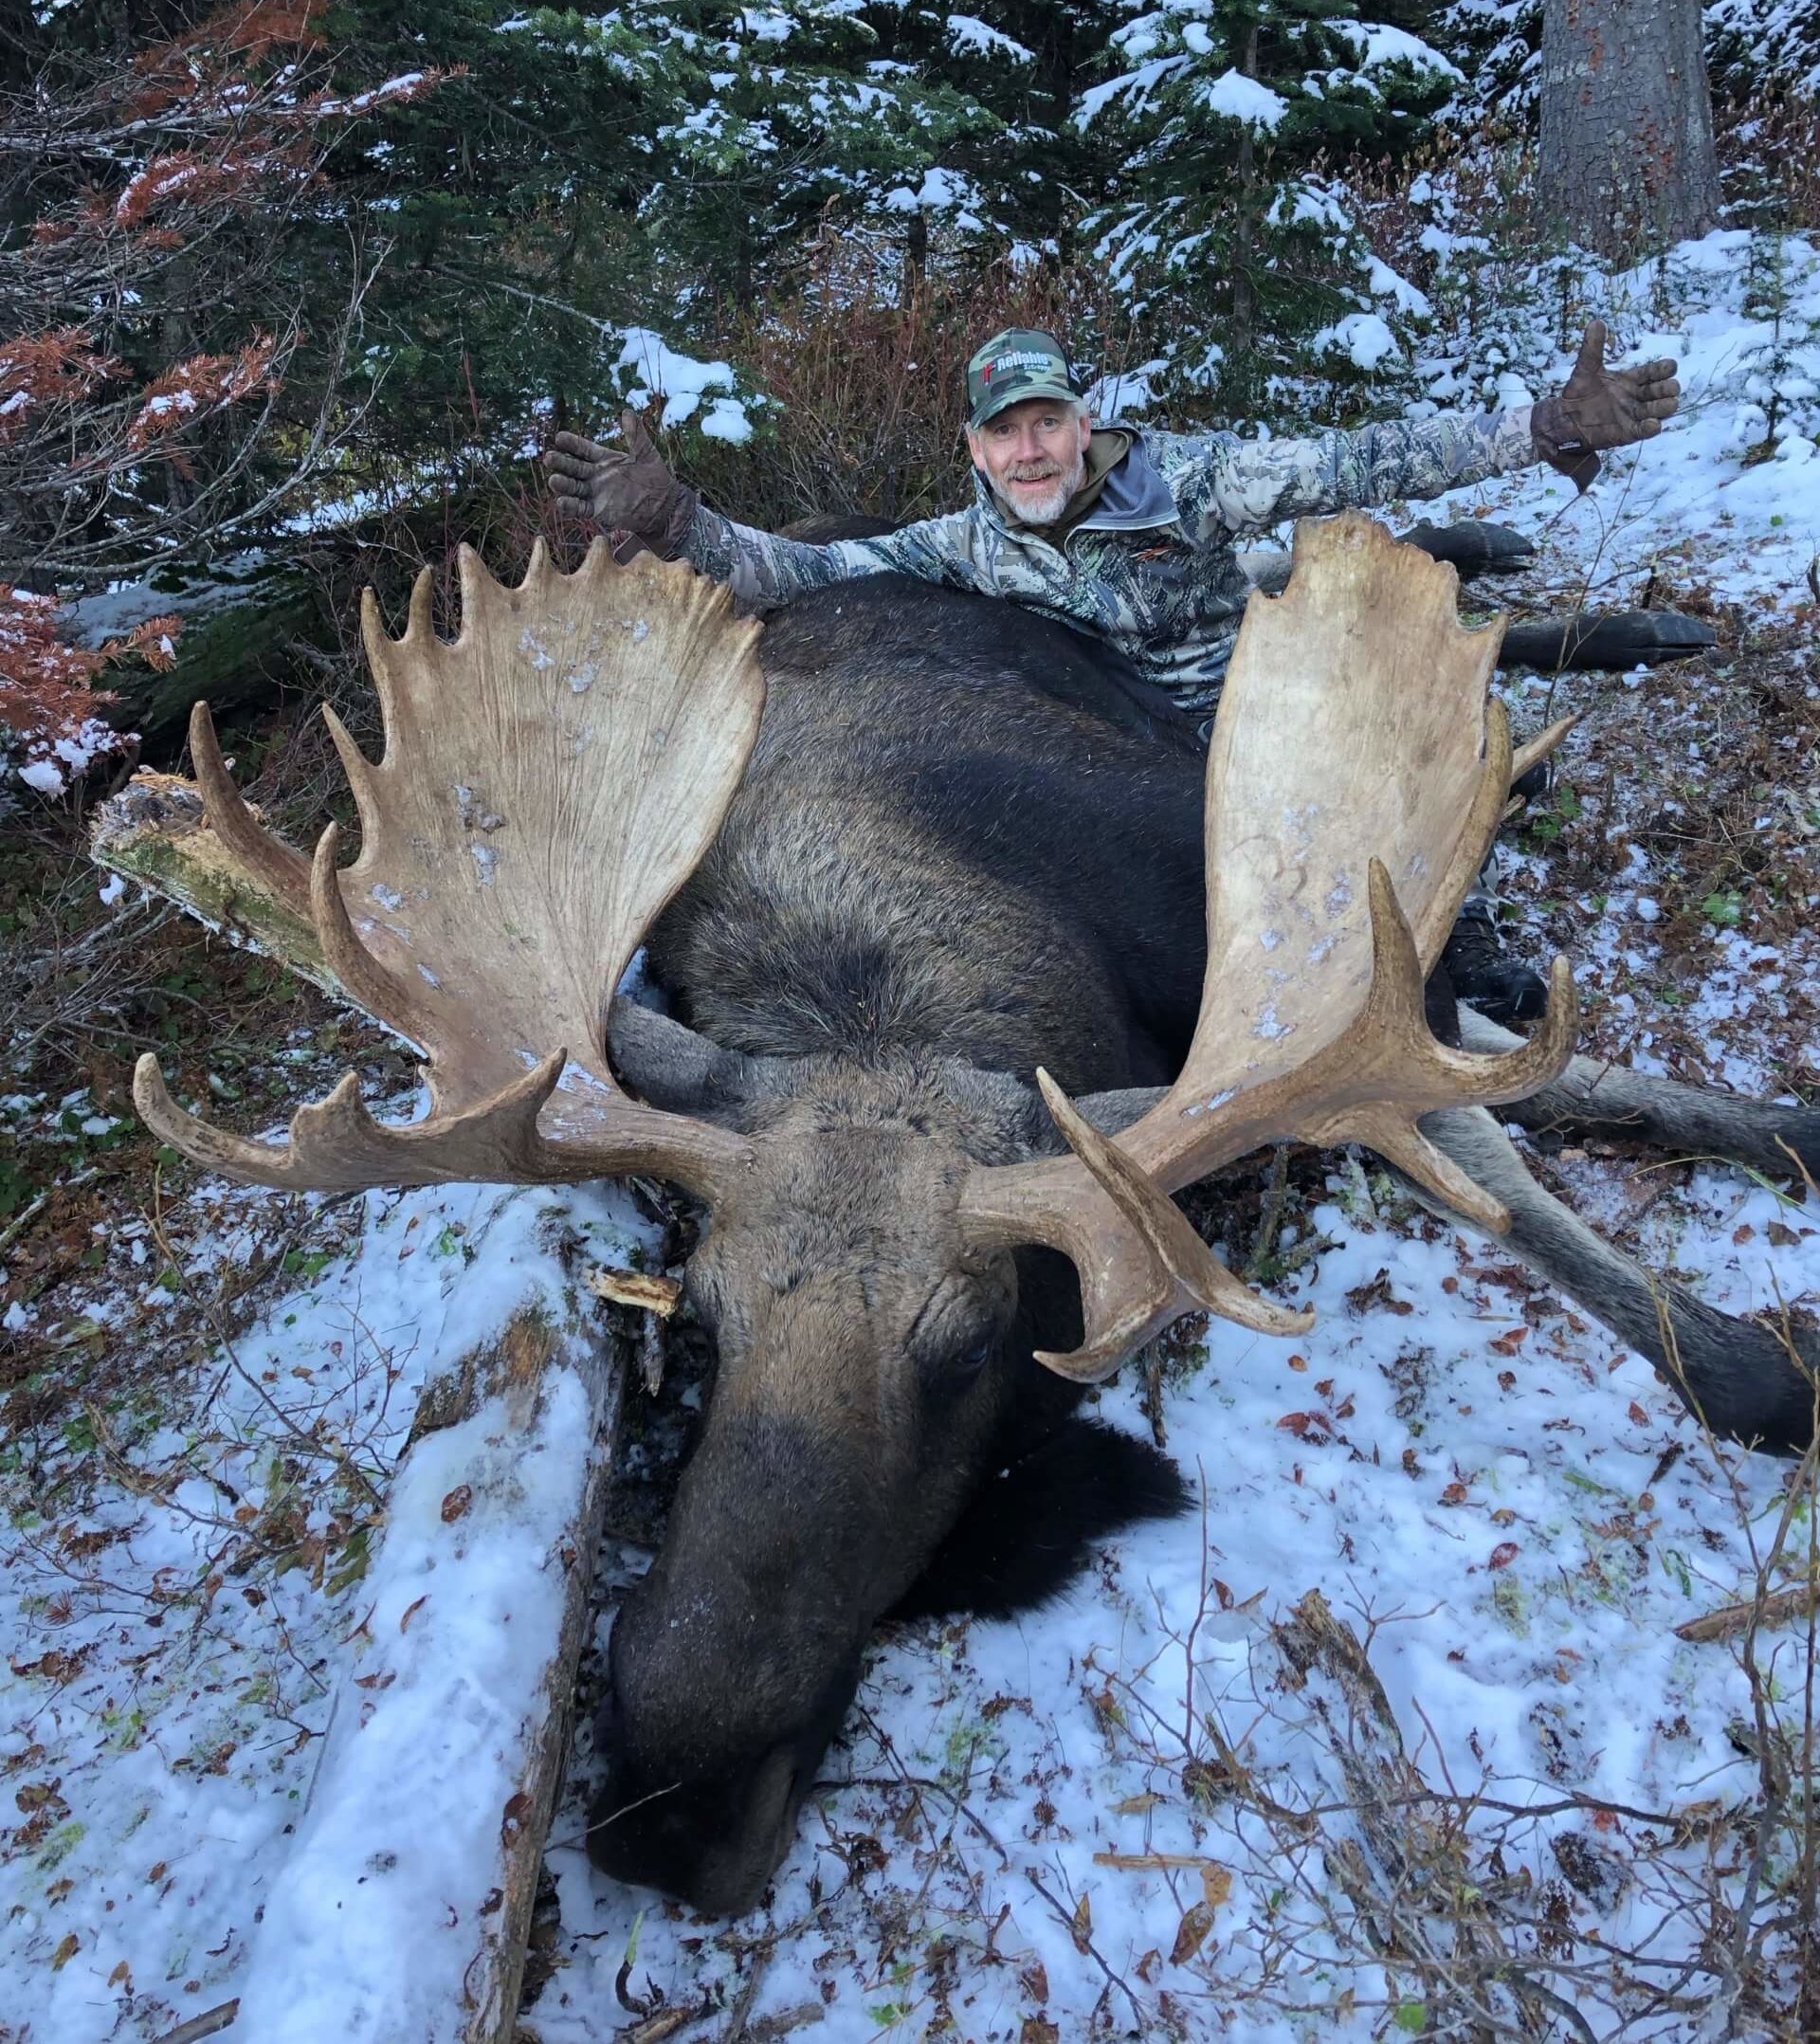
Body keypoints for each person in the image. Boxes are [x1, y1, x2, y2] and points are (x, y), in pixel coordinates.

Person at [547, 323, 1678, 1023]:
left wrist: (1542, 425)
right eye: (1005, 434)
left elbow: (1368, 457)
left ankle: (1461, 930)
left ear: (1083, 421)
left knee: (1403, 777)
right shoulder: (963, 543)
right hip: (1117, 744)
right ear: (976, 448)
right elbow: (804, 571)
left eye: (1047, 423)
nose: (1029, 450)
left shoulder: (1195, 483)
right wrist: (680, 520)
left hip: (1260, 711)